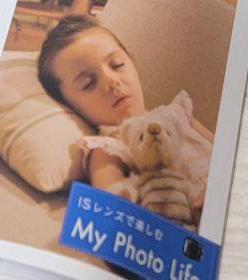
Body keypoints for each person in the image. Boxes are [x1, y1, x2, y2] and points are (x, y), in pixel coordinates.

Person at [37, 13, 213, 225]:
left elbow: (230, 155)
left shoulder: (178, 113)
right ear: (70, 106)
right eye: (88, 83)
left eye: (117, 64)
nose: (111, 81)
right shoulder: (108, 148)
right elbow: (113, 208)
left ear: (133, 63)